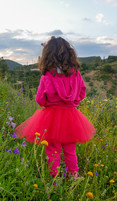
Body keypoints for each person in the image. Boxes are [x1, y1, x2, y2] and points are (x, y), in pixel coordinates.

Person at [15, 36, 96, 178]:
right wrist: (72, 103)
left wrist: (50, 103)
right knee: (70, 150)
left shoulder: (47, 75)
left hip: (51, 117)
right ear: (69, 53)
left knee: (52, 151)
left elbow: (40, 100)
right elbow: (82, 92)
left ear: (47, 54)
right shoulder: (76, 74)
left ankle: (53, 182)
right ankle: (73, 177)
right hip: (72, 116)